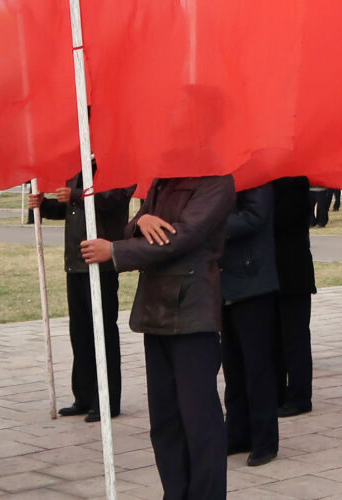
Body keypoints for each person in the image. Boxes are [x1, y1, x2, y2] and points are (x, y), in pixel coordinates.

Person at [81, 175, 235, 499]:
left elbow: (183, 237)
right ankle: (175, 493)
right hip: (156, 313)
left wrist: (115, 251)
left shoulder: (217, 182)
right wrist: (143, 220)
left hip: (193, 314)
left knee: (200, 423)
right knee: (164, 423)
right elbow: (133, 225)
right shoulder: (161, 181)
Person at [29, 169, 134, 422]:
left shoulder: (115, 164)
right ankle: (84, 396)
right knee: (80, 332)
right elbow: (70, 210)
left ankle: (107, 400)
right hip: (76, 262)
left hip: (102, 262)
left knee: (102, 332)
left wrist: (75, 194)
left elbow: (115, 199)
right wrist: (44, 206)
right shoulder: (76, 168)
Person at [219, 184, 280, 467]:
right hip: (225, 281)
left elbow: (254, 217)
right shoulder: (220, 170)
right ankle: (237, 433)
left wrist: (212, 222)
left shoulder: (256, 172)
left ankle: (265, 441)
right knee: (232, 366)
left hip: (253, 280)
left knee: (258, 368)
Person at [273, 177, 317, 417]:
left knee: (295, 340)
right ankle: (280, 393)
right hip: (278, 274)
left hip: (293, 273)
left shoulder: (295, 181)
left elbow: (290, 220)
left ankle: (300, 396)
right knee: (277, 340)